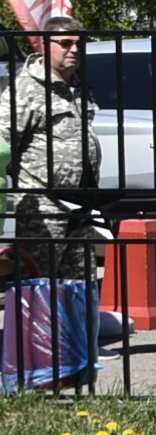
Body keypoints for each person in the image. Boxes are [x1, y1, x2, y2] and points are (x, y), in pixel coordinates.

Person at [7, 15, 101, 281]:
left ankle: (76, 325)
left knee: (80, 287)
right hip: (44, 208)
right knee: (38, 285)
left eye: (79, 44)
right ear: (46, 46)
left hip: (81, 203)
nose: (74, 50)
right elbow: (4, 143)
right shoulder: (26, 89)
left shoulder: (79, 85)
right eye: (66, 43)